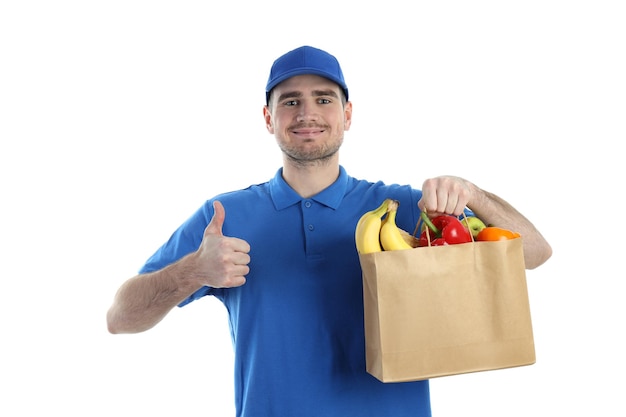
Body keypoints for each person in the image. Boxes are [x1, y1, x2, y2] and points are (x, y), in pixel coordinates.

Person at [107, 45, 552, 417]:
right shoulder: (225, 216)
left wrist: (474, 194)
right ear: (268, 117)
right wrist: (192, 271)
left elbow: (534, 252)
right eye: (290, 101)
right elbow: (120, 319)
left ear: (348, 113)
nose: (307, 113)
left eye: (323, 99)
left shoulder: (402, 210)